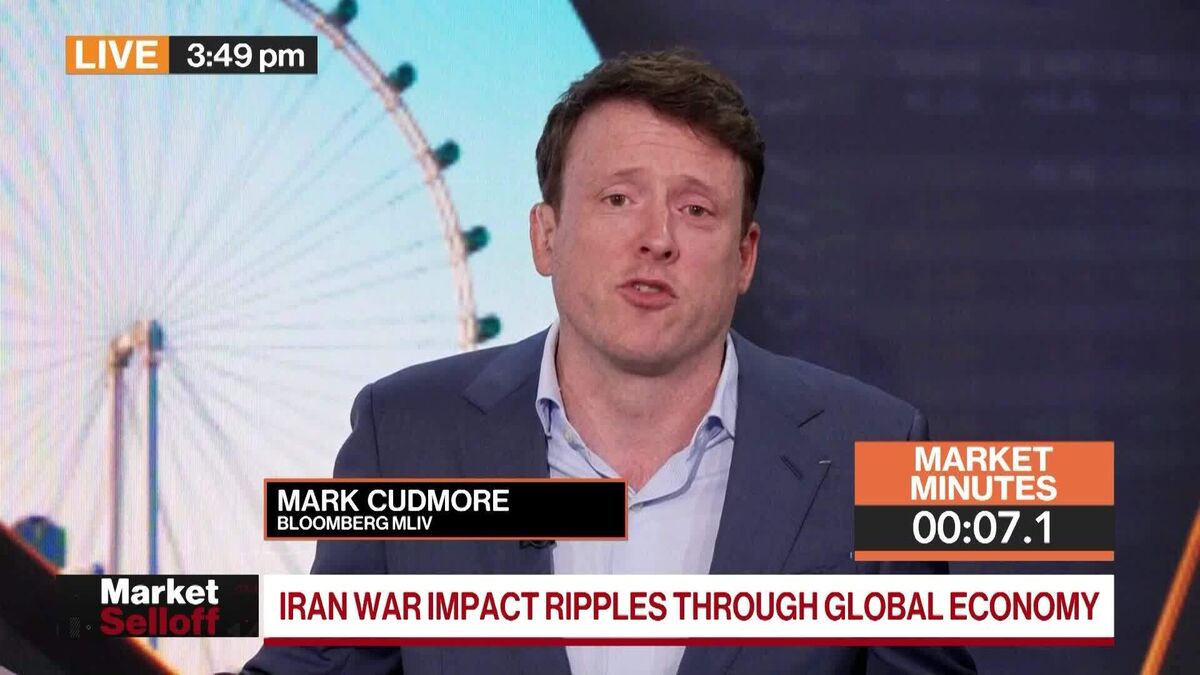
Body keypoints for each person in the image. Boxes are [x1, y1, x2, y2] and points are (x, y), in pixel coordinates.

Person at [244, 49, 976, 675]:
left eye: (696, 209)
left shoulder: (875, 452)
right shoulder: (404, 437)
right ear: (546, 237)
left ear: (745, 257)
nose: (657, 238)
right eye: (619, 198)